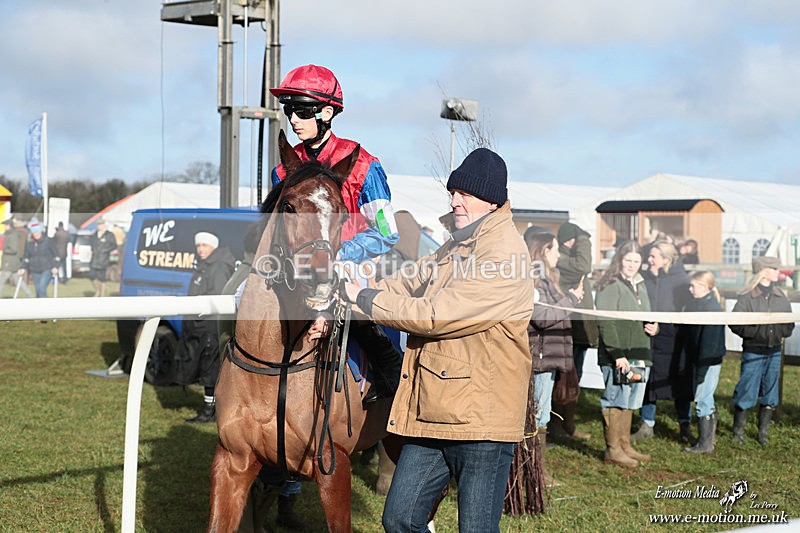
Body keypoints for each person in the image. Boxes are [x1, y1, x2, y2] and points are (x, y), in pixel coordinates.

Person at [340, 147, 534, 532]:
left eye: (464, 193)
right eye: (452, 192)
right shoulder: (457, 243)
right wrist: (357, 285)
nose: (454, 200)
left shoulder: (503, 253)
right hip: (434, 411)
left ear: (491, 199)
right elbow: (410, 280)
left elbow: (435, 315)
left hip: (481, 422)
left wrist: (365, 299)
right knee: (400, 519)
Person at [270, 63, 402, 407]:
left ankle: (390, 373)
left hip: (349, 260)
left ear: (327, 112)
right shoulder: (283, 169)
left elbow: (388, 233)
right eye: (289, 111)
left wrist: (341, 253)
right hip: (295, 264)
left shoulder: (364, 165)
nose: (294, 119)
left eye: (302, 110)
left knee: (351, 298)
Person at [524, 232, 584, 488]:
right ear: (543, 251)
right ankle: (534, 474)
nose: (559, 254)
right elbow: (542, 318)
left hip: (547, 358)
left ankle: (536, 471)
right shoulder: (534, 280)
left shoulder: (549, 279)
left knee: (541, 416)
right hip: (539, 359)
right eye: (555, 249)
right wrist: (571, 298)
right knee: (536, 418)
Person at [595, 240, 658, 468]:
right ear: (620, 260)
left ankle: (624, 444)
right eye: (628, 260)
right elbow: (606, 322)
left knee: (630, 401)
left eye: (636, 260)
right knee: (615, 399)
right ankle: (612, 450)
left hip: (639, 352)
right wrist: (617, 353)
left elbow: (647, 315)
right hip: (618, 355)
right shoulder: (610, 284)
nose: (632, 265)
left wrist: (653, 327)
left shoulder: (640, 284)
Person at [632, 241, 693, 445]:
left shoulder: (682, 281)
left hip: (675, 338)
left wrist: (665, 326)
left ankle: (685, 424)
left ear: (666, 260)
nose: (648, 260)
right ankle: (647, 423)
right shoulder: (644, 278)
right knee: (648, 380)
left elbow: (689, 311)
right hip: (648, 336)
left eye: (653, 257)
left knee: (680, 380)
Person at [729, 255, 795, 446]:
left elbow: (788, 324)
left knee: (771, 392)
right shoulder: (746, 297)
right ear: (764, 271)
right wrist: (756, 333)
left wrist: (778, 333)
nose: (778, 272)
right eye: (774, 268)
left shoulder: (781, 297)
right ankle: (738, 432)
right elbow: (736, 323)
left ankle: (762, 434)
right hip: (753, 351)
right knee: (746, 389)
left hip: (774, 351)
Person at [174, 231, 235, 423]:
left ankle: (210, 411)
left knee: (210, 368)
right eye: (198, 245)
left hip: (209, 325)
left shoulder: (217, 266)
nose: (201, 249)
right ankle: (211, 408)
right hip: (200, 324)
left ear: (213, 247)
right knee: (206, 366)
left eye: (205, 246)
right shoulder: (207, 264)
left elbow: (216, 298)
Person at [549, 221, 597, 442]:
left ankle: (567, 424)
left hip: (579, 328)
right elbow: (585, 265)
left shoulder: (570, 257)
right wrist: (584, 237)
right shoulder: (563, 259)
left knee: (573, 378)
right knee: (562, 379)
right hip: (567, 328)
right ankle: (557, 426)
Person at [676, 271, 725, 453]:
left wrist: (701, 370)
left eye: (693, 286)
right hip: (702, 359)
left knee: (703, 399)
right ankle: (707, 441)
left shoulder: (710, 308)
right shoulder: (698, 305)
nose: (690, 289)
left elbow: (709, 343)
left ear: (704, 287)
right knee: (706, 398)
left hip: (707, 360)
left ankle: (705, 444)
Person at [18, 222, 60, 298]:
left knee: (42, 288)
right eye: (34, 232)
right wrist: (23, 267)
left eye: (37, 232)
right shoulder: (29, 243)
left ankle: (44, 307)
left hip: (47, 268)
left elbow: (56, 255)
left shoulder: (48, 241)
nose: (36, 234)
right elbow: (26, 257)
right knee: (37, 290)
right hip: (34, 269)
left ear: (41, 231)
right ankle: (38, 308)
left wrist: (55, 266)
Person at [1, 216, 34, 298]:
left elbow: (14, 249)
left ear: (9, 226)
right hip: (12, 262)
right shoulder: (11, 234)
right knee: (18, 281)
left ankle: (30, 295)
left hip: (9, 263)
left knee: (1, 281)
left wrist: (5, 250)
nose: (4, 227)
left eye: (5, 225)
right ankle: (30, 295)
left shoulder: (12, 235)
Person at [88, 218, 117, 297]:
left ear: (104, 225)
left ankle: (102, 294)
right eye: (98, 225)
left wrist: (106, 250)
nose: (99, 226)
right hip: (94, 258)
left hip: (103, 259)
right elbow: (91, 243)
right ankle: (97, 290)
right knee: (91, 275)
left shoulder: (109, 235)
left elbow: (114, 245)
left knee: (102, 277)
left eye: (101, 225)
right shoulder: (94, 234)